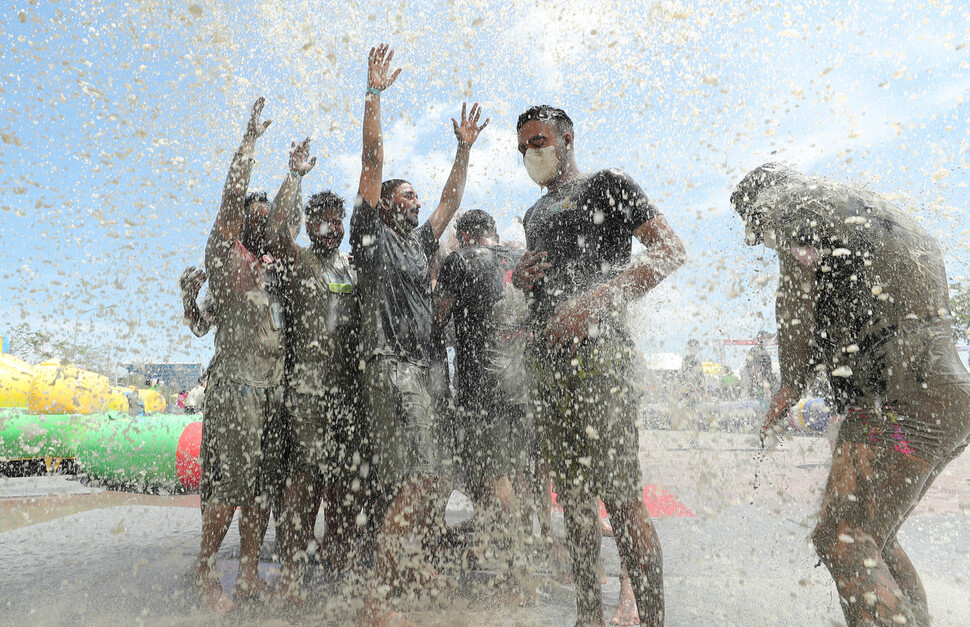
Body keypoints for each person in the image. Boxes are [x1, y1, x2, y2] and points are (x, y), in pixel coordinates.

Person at [734, 162, 970, 626]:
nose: (761, 241)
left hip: (899, 400)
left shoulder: (789, 206)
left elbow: (796, 297)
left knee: (843, 538)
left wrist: (792, 382)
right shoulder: (868, 208)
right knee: (872, 539)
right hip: (948, 395)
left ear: (759, 208)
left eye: (755, 232)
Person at [512, 104, 685, 626]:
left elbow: (669, 251)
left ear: (566, 137)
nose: (531, 154)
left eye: (538, 141)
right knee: (574, 501)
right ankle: (588, 614)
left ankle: (653, 620)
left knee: (621, 496)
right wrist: (523, 278)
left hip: (600, 357)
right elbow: (545, 281)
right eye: (522, 148)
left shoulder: (607, 183)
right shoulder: (535, 213)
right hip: (548, 365)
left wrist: (590, 304)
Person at [350, 44, 488, 625]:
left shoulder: (417, 244)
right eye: (405, 195)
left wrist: (462, 149)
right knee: (424, 473)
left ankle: (402, 565)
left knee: (433, 471)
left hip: (418, 369)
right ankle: (380, 598)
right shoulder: (371, 236)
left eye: (412, 197)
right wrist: (375, 96)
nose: (414, 201)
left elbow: (450, 202)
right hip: (389, 365)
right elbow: (373, 159)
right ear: (385, 207)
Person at [192, 97, 293, 612]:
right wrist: (249, 143)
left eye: (265, 218)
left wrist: (294, 175)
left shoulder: (274, 268)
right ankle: (205, 572)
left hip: (272, 391)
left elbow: (288, 218)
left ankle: (250, 572)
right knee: (229, 486)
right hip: (235, 387)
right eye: (254, 217)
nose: (261, 223)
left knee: (261, 490)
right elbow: (231, 198)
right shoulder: (225, 254)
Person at [267, 165, 376, 600]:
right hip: (306, 393)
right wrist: (293, 177)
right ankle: (292, 569)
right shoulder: (298, 259)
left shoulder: (352, 267)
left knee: (348, 481)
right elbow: (277, 231)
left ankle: (340, 560)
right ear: (310, 224)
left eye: (338, 219)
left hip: (348, 393)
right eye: (323, 219)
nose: (332, 227)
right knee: (305, 479)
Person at [433, 209, 532, 590]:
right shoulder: (520, 257)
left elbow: (435, 318)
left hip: (483, 387)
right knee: (516, 472)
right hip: (521, 382)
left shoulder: (462, 258)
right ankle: (515, 551)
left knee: (493, 477)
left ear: (465, 234)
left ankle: (514, 572)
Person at [743, 330, 775, 400]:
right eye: (766, 338)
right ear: (760, 339)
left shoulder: (760, 351)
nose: (768, 341)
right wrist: (766, 388)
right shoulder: (758, 351)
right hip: (759, 389)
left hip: (759, 388)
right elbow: (757, 371)